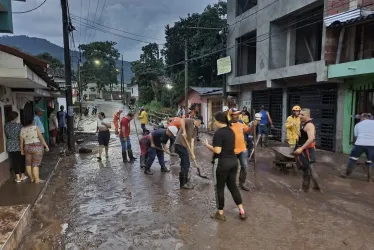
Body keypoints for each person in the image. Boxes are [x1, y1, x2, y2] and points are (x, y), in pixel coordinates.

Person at [203, 111, 247, 221]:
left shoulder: (219, 133)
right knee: (233, 186)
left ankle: (220, 213)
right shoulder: (230, 131)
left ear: (218, 121)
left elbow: (217, 150)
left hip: (222, 163)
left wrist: (207, 145)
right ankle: (241, 210)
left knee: (219, 188)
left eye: (214, 121)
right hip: (233, 162)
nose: (214, 123)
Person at [294, 108, 321, 192]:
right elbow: (303, 136)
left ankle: (304, 189)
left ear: (308, 115)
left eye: (302, 115)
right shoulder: (304, 123)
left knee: (306, 170)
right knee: (311, 169)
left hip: (307, 151)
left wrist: (301, 148)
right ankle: (317, 186)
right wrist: (295, 127)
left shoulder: (309, 125)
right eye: (300, 114)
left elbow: (311, 138)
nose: (300, 116)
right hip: (306, 149)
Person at [341, 113, 374, 181]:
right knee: (370, 162)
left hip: (359, 144)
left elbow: (356, 137)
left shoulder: (357, 125)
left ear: (362, 118)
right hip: (372, 145)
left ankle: (346, 174)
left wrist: (356, 145)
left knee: (352, 159)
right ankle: (369, 178)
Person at [174, 117, 202, 189]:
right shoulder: (190, 121)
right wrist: (184, 131)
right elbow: (182, 120)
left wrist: (192, 154)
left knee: (185, 163)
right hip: (179, 144)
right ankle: (183, 183)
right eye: (200, 123)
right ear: (197, 120)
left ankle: (185, 180)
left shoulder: (195, 130)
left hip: (184, 146)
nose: (200, 125)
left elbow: (192, 142)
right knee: (186, 164)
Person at [20, 117, 49, 184]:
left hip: (27, 147)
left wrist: (21, 150)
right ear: (32, 121)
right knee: (35, 164)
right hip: (37, 147)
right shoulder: (36, 128)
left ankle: (32, 178)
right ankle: (37, 180)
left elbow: (21, 142)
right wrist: (46, 146)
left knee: (28, 163)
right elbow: (41, 138)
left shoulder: (22, 129)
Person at [230, 108, 251, 191]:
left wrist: (253, 125)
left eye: (238, 114)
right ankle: (231, 184)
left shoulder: (241, 123)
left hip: (242, 149)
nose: (237, 116)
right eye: (235, 114)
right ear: (231, 116)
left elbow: (248, 131)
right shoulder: (228, 125)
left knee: (244, 167)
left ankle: (242, 183)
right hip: (232, 151)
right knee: (233, 168)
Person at [5, 111, 26, 183]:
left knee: (14, 161)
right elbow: (23, 135)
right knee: (21, 160)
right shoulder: (19, 125)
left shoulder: (6, 125)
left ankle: (17, 177)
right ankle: (22, 175)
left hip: (10, 145)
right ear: (15, 117)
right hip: (19, 144)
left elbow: (7, 135)